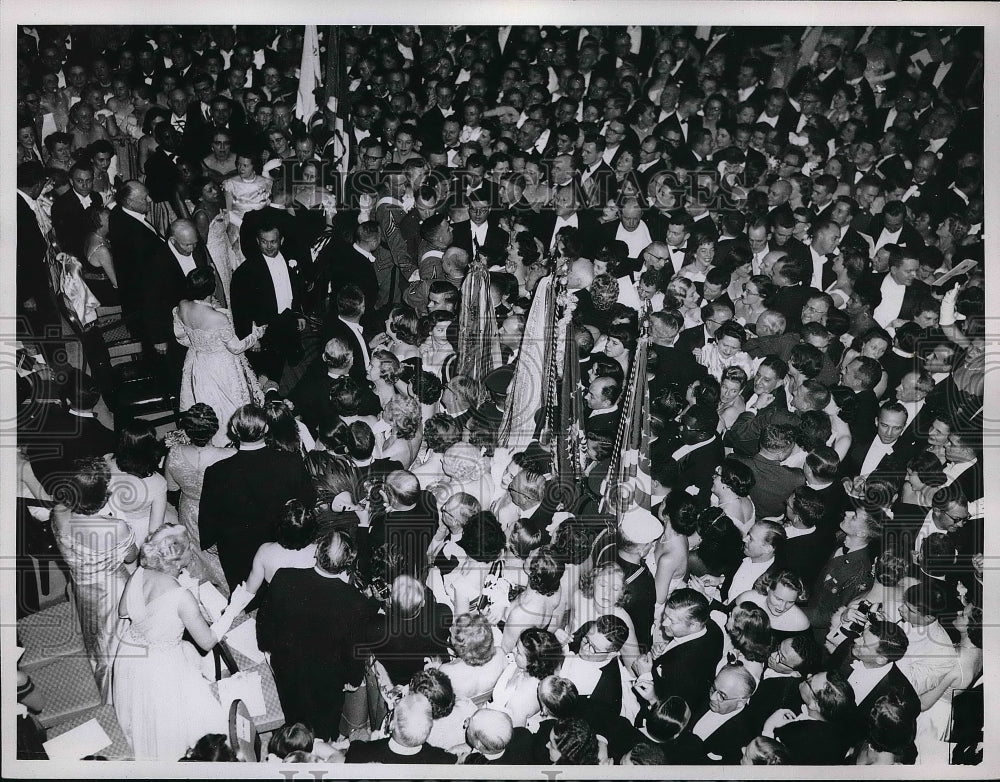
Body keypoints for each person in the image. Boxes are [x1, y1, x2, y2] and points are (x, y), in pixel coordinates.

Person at [112, 525, 227, 760]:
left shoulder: (139, 573)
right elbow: (206, 643)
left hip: (129, 655)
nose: (193, 549)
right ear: (176, 559)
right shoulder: (181, 596)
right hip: (161, 668)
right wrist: (233, 610)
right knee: (171, 727)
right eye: (188, 547)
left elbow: (124, 611)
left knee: (141, 717)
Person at [258, 529, 380, 742]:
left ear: (317, 552)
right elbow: (355, 649)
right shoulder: (355, 602)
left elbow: (264, 622)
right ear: (346, 565)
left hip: (287, 668)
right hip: (327, 680)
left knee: (291, 713)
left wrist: (270, 649)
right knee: (323, 728)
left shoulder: (283, 577)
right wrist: (353, 679)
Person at [50, 457, 138, 699]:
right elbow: (132, 558)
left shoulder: (57, 512)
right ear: (103, 496)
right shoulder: (115, 527)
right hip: (112, 591)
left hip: (82, 585)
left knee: (95, 638)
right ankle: (116, 694)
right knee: (115, 645)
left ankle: (100, 674)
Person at [199, 404, 314, 589]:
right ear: (266, 428)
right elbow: (308, 502)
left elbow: (209, 516)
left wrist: (209, 540)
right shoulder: (291, 462)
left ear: (234, 431)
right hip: (281, 546)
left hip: (237, 551)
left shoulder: (217, 472)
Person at [174, 266, 265, 444]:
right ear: (212, 288)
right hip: (222, 364)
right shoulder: (219, 318)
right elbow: (236, 348)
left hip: (199, 363)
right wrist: (256, 335)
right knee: (231, 404)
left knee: (207, 403)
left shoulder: (182, 307)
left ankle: (212, 441)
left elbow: (181, 337)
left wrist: (200, 344)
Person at [163, 403, 233, 590]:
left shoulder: (174, 453)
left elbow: (172, 486)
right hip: (222, 511)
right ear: (215, 429)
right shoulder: (231, 455)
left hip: (190, 510)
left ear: (187, 430)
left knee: (198, 554)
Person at [104, 420, 169, 546]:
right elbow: (154, 530)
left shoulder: (107, 461)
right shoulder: (158, 483)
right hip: (140, 533)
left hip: (110, 524)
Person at [345, 693, 456, 764]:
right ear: (429, 729)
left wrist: (357, 742)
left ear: (391, 725)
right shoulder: (445, 760)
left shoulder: (359, 754)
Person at [489, 627, 565, 728]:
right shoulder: (524, 667)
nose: (513, 650)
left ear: (534, 663)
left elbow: (515, 733)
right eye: (516, 645)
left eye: (519, 652)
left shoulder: (521, 701)